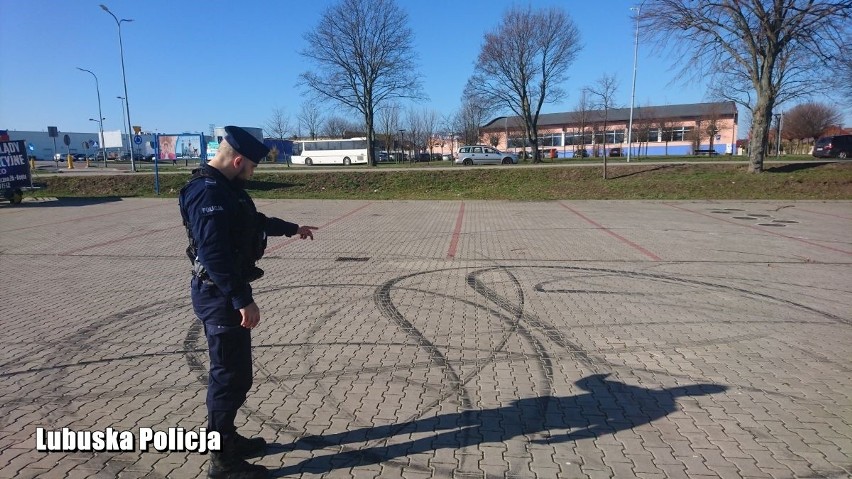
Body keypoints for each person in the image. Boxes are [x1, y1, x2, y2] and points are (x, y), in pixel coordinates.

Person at [179, 125, 317, 478]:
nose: (252, 174)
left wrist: (291, 228)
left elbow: (251, 221)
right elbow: (214, 255)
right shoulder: (206, 192)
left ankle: (228, 438)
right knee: (229, 377)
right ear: (237, 160)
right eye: (251, 167)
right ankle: (222, 461)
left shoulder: (227, 190)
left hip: (225, 294)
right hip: (220, 297)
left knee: (237, 376)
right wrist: (242, 299)